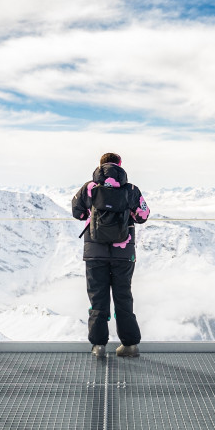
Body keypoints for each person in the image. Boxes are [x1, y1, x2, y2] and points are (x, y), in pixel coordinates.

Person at [72, 153, 150, 358]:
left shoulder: (89, 188)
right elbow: (143, 215)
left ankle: (98, 346)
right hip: (123, 254)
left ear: (100, 165)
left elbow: (77, 212)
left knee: (98, 298)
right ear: (120, 166)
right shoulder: (131, 190)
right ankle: (130, 345)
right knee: (123, 296)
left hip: (94, 252)